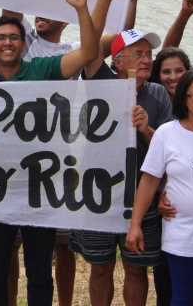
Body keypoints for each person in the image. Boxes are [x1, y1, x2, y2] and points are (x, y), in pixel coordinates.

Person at [0, 0, 118, 306]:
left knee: (39, 269)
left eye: (13, 37)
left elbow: (88, 52)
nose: (7, 42)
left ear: (23, 44)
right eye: (0, 38)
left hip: (40, 185)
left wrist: (81, 9)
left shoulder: (43, 69)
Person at [0, 0, 142, 306]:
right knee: (11, 243)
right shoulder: (23, 40)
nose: (40, 15)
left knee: (61, 241)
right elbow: (10, 3)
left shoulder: (75, 48)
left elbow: (120, 39)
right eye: (37, 9)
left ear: (64, 16)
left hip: (56, 155)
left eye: (48, 9)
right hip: (15, 153)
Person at [71, 28, 174, 306]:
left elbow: (170, 149)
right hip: (99, 194)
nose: (147, 60)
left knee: (136, 267)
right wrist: (118, 23)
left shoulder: (158, 94)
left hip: (141, 197)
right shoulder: (99, 83)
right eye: (138, 54)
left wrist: (146, 129)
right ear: (117, 61)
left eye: (149, 54)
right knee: (100, 267)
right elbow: (92, 46)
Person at [126, 69, 193, 306]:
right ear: (184, 98)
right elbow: (149, 180)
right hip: (181, 232)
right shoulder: (166, 133)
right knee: (183, 298)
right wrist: (135, 224)